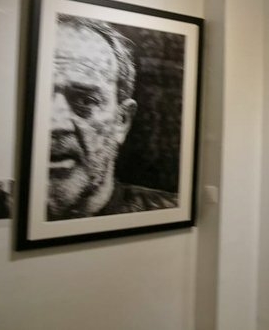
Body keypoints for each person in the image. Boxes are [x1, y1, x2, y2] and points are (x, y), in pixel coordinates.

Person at [48, 15, 177, 221]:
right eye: (36, 98)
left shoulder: (166, 212)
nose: (55, 123)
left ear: (121, 121)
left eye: (85, 100)